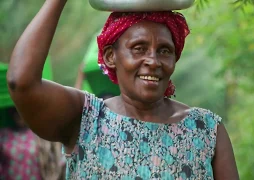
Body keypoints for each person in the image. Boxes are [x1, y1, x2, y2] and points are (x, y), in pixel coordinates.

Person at [6, 0, 239, 179]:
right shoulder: (85, 118)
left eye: (165, 51)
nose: (153, 61)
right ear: (110, 57)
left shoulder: (207, 130)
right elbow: (21, 82)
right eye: (139, 48)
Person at [0, 107, 65, 180]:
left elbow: (57, 160)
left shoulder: (42, 134)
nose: (19, 114)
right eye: (15, 111)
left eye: (22, 110)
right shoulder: (3, 134)